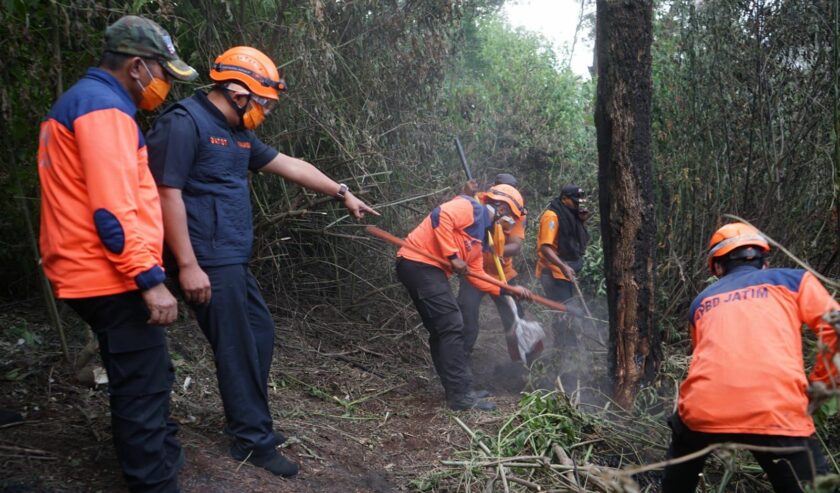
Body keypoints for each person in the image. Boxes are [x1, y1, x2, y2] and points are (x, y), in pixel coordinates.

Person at [146, 46, 377, 477]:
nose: (266, 112)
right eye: (264, 103)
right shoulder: (184, 123)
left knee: (259, 336)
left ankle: (252, 420)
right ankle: (252, 441)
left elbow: (289, 164)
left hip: (232, 258)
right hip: (205, 259)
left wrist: (343, 193)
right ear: (237, 92)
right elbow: (166, 194)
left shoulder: (238, 133)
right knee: (236, 348)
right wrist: (188, 265)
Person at [38, 15, 197, 493]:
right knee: (143, 386)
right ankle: (154, 482)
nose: (164, 84)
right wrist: (149, 280)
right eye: (163, 73)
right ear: (136, 66)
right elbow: (111, 210)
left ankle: (163, 457)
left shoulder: (84, 102)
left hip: (88, 269)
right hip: (107, 274)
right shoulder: (102, 109)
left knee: (146, 370)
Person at [661, 222, 839, 493]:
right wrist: (820, 386)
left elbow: (703, 357)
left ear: (718, 268)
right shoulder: (795, 281)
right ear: (764, 261)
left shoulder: (701, 302)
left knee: (679, 471)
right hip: (777, 411)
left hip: (704, 410)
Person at [396, 193, 532, 411]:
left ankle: (456, 390)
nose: (510, 225)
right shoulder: (471, 207)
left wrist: (507, 289)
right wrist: (452, 256)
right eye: (511, 219)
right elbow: (441, 215)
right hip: (418, 263)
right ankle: (461, 395)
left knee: (443, 329)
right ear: (502, 210)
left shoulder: (479, 240)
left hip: (427, 270)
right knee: (452, 325)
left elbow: (476, 275)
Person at [457, 178, 529, 366]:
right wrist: (466, 193)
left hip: (503, 275)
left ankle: (520, 365)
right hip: (474, 273)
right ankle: (462, 363)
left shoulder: (518, 214)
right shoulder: (480, 201)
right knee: (467, 320)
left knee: (514, 319)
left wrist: (495, 248)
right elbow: (457, 213)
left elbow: (515, 245)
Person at [535, 184, 591, 346]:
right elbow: (545, 248)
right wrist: (563, 266)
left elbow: (571, 240)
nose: (578, 205)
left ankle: (568, 348)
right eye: (575, 202)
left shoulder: (570, 215)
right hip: (553, 274)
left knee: (569, 313)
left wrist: (581, 220)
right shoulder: (552, 216)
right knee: (562, 316)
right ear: (564, 199)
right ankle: (563, 352)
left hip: (566, 273)